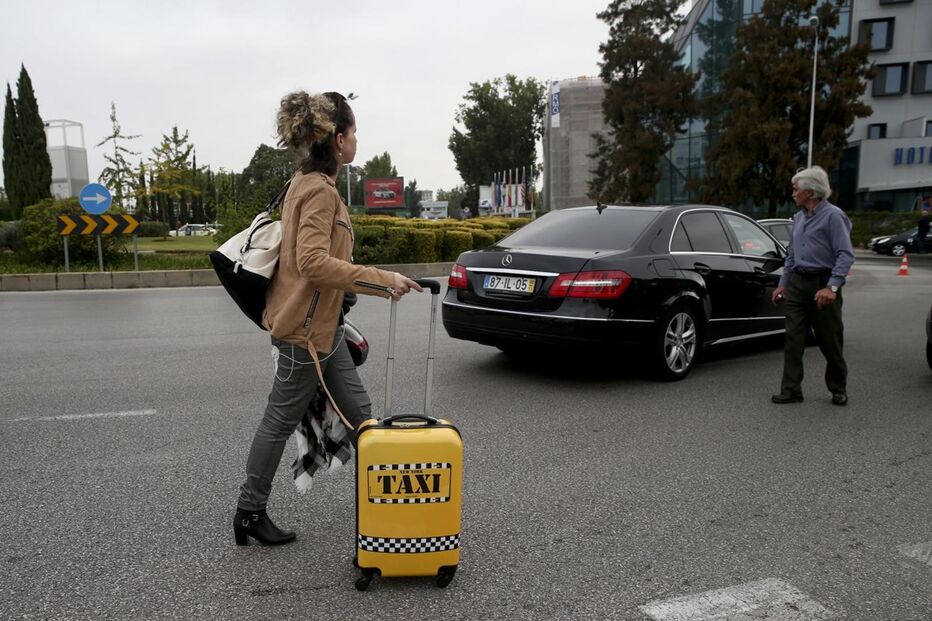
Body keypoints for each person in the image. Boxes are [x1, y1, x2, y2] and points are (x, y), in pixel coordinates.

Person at [234, 90, 423, 546]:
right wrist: (383, 280)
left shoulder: (305, 183)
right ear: (338, 140)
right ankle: (249, 511)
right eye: (353, 132)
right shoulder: (317, 191)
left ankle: (392, 504)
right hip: (304, 332)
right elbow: (312, 262)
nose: (357, 140)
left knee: (361, 416)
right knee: (278, 421)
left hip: (324, 329)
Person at [771, 165, 855, 407]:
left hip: (823, 283)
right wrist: (783, 284)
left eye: (795, 189)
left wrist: (832, 287)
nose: (793, 193)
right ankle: (791, 390)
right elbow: (792, 255)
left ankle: (838, 388)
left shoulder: (834, 216)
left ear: (810, 192)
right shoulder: (798, 218)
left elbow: (845, 254)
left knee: (830, 341)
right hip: (798, 283)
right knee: (793, 339)